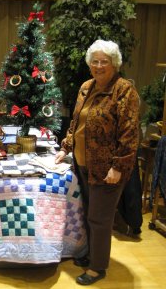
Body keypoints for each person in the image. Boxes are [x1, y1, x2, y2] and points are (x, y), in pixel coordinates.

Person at [55, 39, 140, 286]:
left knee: (100, 219)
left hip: (107, 169)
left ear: (114, 64)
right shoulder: (86, 87)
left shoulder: (124, 91)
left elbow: (130, 133)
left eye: (105, 61)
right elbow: (76, 125)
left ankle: (98, 267)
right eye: (95, 61)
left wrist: (119, 166)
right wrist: (66, 148)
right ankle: (92, 254)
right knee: (88, 214)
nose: (99, 66)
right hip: (83, 164)